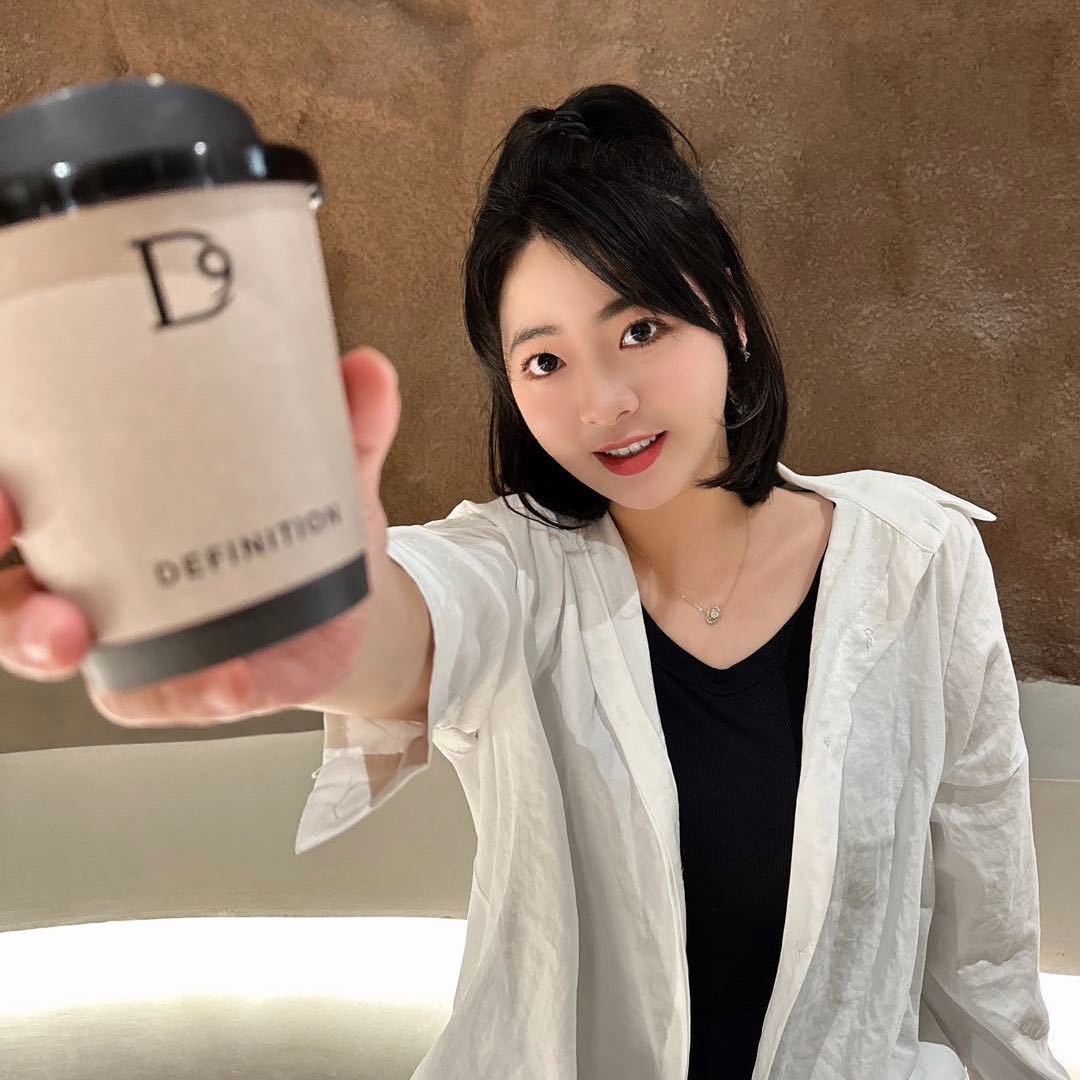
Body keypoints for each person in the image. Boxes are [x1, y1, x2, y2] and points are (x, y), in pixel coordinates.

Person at [0, 84, 1068, 1080]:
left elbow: (986, 967)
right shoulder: (516, 564)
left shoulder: (919, 559)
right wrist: (325, 612)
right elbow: (421, 617)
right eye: (545, 361)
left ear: (732, 320)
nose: (604, 402)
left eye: (640, 329)